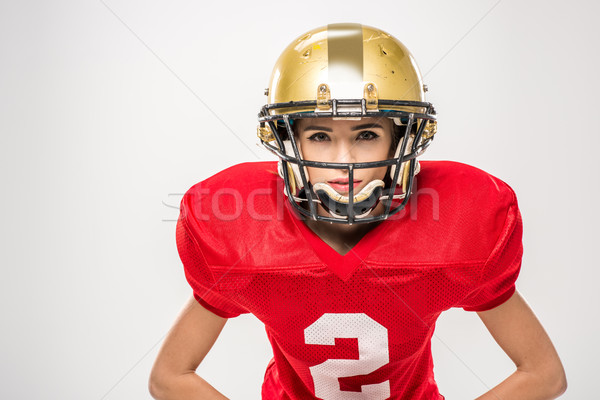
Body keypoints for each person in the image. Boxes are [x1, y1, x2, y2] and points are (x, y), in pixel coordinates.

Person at [149, 23, 567, 399]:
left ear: (401, 140)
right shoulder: (244, 232)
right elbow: (170, 377)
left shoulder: (461, 225)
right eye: (319, 135)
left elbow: (544, 374)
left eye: (366, 134)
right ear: (288, 139)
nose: (343, 159)